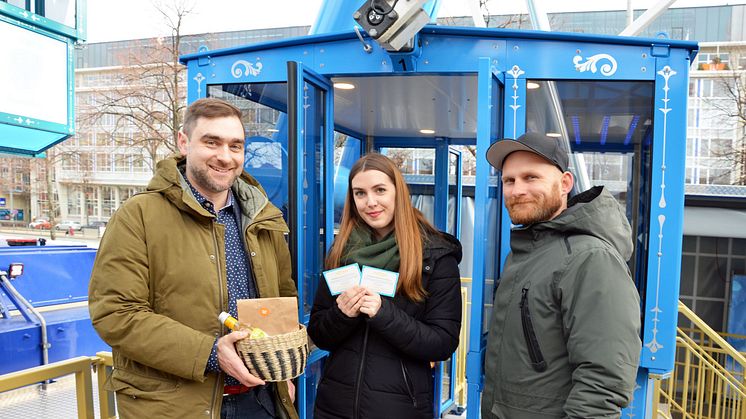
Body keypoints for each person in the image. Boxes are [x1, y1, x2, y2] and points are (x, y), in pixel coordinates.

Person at [88, 98, 297, 419]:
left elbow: (282, 299)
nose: (225, 156)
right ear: (183, 142)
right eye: (211, 142)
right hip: (174, 406)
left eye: (235, 145)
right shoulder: (138, 216)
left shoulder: (263, 218)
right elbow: (115, 313)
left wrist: (283, 372)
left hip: (259, 400)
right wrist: (211, 354)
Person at [480, 132, 641, 418]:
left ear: (565, 183)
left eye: (531, 177)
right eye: (509, 180)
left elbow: (602, 385)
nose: (517, 190)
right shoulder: (525, 253)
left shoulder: (590, 258)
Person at [308, 153, 462, 419]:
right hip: (334, 408)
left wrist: (384, 314)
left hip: (399, 410)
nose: (370, 202)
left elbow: (442, 343)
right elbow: (319, 334)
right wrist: (341, 314)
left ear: (398, 192)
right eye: (360, 193)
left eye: (380, 190)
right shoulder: (341, 252)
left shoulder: (435, 256)